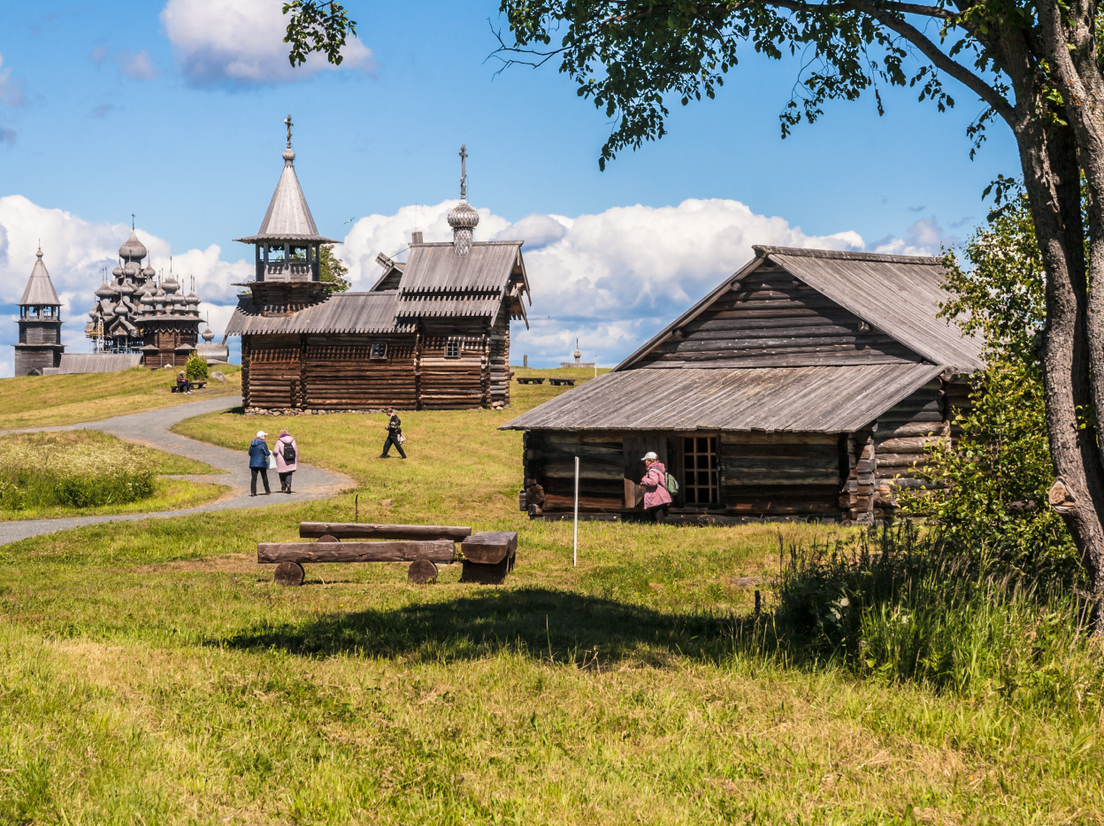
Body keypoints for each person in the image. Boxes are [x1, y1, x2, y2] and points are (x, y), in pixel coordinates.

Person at [640, 451, 672, 522]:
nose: (645, 462)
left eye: (646, 460)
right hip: (661, 494)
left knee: (658, 514)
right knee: (657, 513)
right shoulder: (659, 469)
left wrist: (644, 479)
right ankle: (658, 529)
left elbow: (653, 482)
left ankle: (661, 529)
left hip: (656, 495)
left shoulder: (652, 470)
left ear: (650, 460)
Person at [274, 428, 298, 494]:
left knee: (282, 474)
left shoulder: (279, 441)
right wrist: (296, 459)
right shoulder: (293, 440)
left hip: (281, 460)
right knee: (289, 473)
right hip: (290, 459)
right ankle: (288, 484)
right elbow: (295, 450)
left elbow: (275, 451)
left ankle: (283, 488)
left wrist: (276, 455)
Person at [248, 430, 271, 495]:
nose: (265, 437)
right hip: (261, 462)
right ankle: (267, 490)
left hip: (253, 462)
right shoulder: (263, 443)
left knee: (254, 478)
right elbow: (266, 453)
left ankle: (253, 492)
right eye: (264, 436)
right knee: (264, 476)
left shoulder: (252, 443)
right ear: (261, 436)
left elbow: (250, 452)